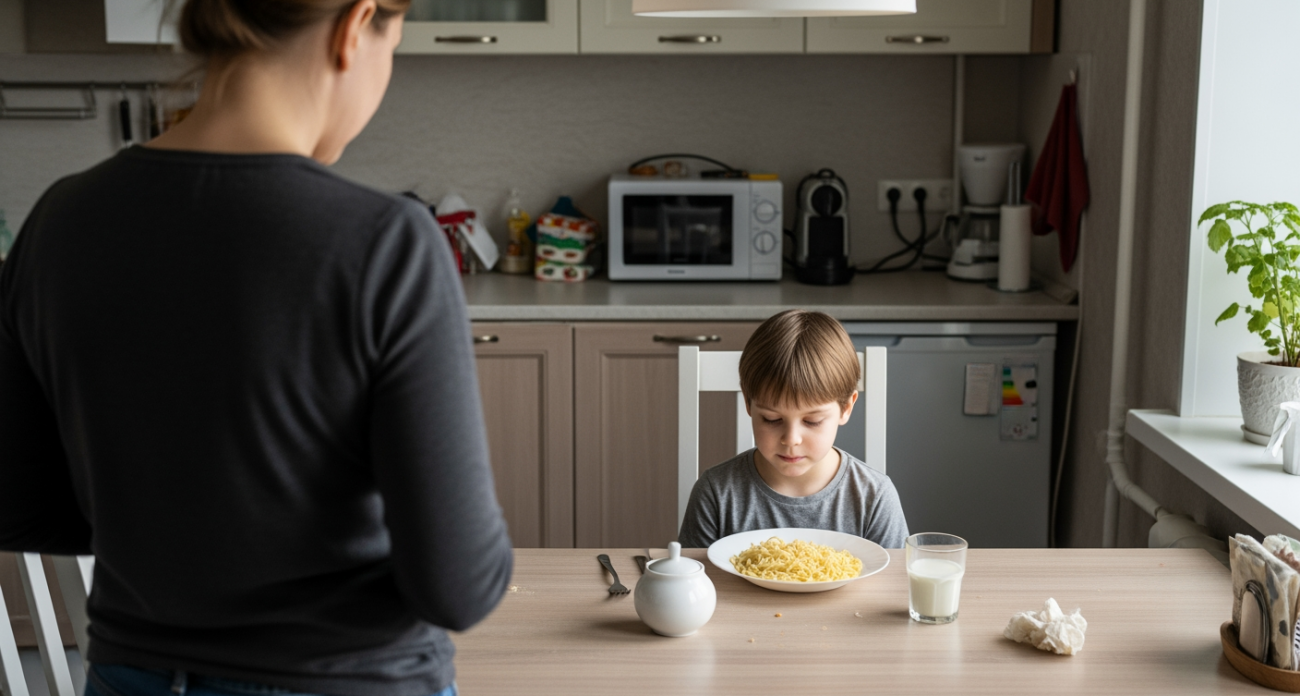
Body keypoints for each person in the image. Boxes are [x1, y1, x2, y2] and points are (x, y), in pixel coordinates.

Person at [0, 2, 513, 696]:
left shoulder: (59, 220)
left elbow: (20, 503)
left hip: (132, 675)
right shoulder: (385, 240)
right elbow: (459, 586)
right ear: (355, 26)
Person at [678, 309, 908, 549]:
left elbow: (894, 584)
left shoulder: (875, 497)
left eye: (812, 421)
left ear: (846, 408)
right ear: (748, 403)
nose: (791, 439)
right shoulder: (716, 492)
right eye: (771, 419)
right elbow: (691, 581)